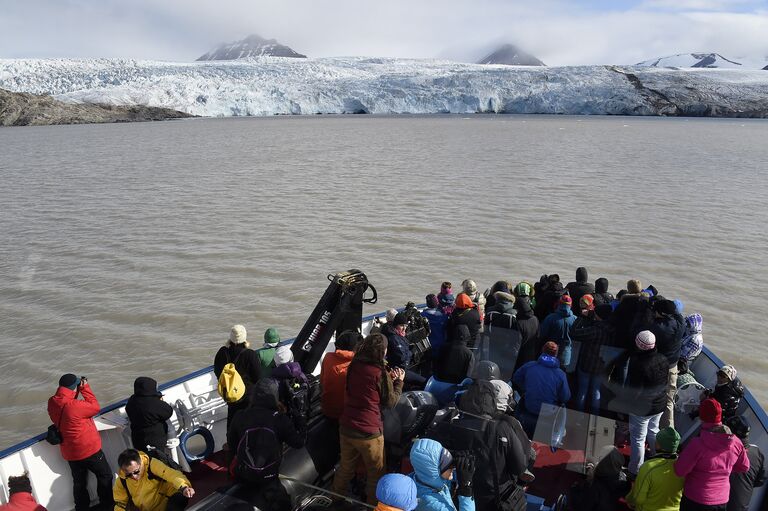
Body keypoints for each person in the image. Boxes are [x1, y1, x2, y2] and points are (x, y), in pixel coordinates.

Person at [428, 380, 528, 511]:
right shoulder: (502, 428)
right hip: (495, 500)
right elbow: (519, 467)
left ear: (466, 398)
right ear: (492, 402)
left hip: (458, 496)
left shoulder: (451, 426)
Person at [332, 333, 404, 506]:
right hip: (369, 433)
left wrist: (388, 379)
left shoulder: (354, 364)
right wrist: (399, 382)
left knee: (346, 468)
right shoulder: (379, 371)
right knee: (376, 473)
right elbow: (390, 401)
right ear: (382, 351)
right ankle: (373, 505)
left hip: (347, 427)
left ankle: (335, 499)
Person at [227, 378, 306, 511]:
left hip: (244, 474)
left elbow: (232, 445)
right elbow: (299, 443)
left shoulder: (240, 416)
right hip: (269, 477)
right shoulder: (279, 419)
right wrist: (298, 417)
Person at [47, 374, 114, 511]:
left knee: (79, 482)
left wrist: (75, 391)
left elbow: (68, 409)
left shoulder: (52, 402)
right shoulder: (74, 406)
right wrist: (85, 388)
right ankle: (107, 505)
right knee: (105, 475)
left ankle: (81, 508)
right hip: (89, 450)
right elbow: (95, 407)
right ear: (73, 388)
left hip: (70, 452)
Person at [675, 398, 750, 511]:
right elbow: (744, 466)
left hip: (695, 499)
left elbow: (679, 471)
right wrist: (725, 469)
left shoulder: (697, 444)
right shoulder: (736, 442)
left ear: (701, 417)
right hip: (721, 501)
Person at [623, 330, 669, 477]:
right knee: (653, 430)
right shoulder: (663, 359)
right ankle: (656, 456)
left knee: (638, 439)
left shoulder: (638, 364)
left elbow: (635, 390)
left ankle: (635, 470)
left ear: (639, 345)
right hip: (659, 403)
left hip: (642, 408)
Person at [512, 341, 571, 438]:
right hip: (548, 413)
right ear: (556, 354)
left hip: (529, 407)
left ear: (542, 350)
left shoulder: (530, 365)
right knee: (563, 405)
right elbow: (565, 397)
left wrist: (526, 388)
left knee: (523, 396)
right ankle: (558, 433)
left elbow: (516, 378)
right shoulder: (561, 374)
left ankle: (515, 423)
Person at [571, 295, 614, 415]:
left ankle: (579, 416)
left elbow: (574, 333)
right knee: (596, 392)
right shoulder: (612, 329)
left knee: (583, 391)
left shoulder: (595, 330)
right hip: (601, 365)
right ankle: (595, 416)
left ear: (598, 317)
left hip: (586, 363)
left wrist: (582, 317)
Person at [213, 324, 262, 430]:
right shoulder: (250, 354)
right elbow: (258, 377)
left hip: (230, 394)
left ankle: (231, 442)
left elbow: (218, 372)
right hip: (248, 395)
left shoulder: (222, 352)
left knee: (232, 421)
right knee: (249, 423)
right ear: (244, 338)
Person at [113, 448, 194, 511]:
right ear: (123, 471)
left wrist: (184, 487)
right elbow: (120, 503)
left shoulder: (151, 464)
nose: (133, 476)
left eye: (136, 471)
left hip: (171, 497)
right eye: (129, 475)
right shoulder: (122, 480)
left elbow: (171, 474)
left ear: (140, 463)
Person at [625, 427, 684, 511]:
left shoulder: (648, 467)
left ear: (658, 444)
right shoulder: (684, 467)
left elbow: (638, 499)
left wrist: (628, 499)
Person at [410, 439, 475, 511]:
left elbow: (450, 474)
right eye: (449, 466)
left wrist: (463, 464)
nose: (452, 469)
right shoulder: (431, 503)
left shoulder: (422, 477)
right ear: (434, 471)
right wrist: (465, 489)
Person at [650, 298, 685, 429]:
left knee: (653, 395)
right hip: (673, 366)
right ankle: (668, 430)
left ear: (662, 314)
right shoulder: (681, 321)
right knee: (669, 399)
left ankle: (651, 427)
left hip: (660, 367)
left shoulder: (660, 329)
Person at [725, 415, 766, 511]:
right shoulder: (757, 452)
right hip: (741, 508)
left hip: (720, 505)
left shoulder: (723, 451)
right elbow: (760, 480)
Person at [320, 330, 361, 420]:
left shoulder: (328, 357)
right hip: (346, 415)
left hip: (327, 409)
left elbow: (322, 382)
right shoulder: (358, 364)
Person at [126, 377, 173, 452]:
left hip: (138, 440)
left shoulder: (132, 400)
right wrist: (161, 401)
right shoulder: (154, 404)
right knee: (158, 461)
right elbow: (168, 412)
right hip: (155, 441)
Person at [538, 294, 576, 368]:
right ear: (570, 306)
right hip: (566, 356)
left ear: (559, 304)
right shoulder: (575, 319)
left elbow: (542, 334)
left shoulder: (550, 318)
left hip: (550, 353)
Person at [512, 282, 539, 368]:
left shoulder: (518, 322)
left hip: (520, 357)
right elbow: (538, 337)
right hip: (531, 354)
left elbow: (516, 343)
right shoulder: (535, 319)